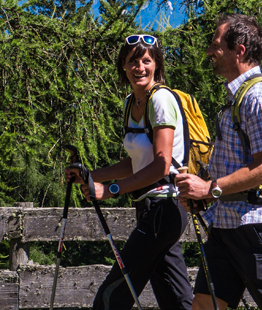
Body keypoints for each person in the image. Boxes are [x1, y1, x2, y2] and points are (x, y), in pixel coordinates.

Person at [176, 13, 262, 310]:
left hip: (257, 228)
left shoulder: (260, 95)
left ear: (239, 50)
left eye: (215, 45)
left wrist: (209, 189)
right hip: (227, 225)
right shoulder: (239, 96)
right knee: (204, 306)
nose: (209, 52)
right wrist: (208, 192)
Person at [66, 33, 193, 310]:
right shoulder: (129, 104)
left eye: (146, 61)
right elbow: (134, 162)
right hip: (150, 209)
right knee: (176, 299)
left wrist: (111, 189)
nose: (140, 67)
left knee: (111, 298)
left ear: (156, 65)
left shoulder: (160, 100)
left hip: (165, 207)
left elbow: (161, 164)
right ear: (123, 66)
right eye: (133, 61)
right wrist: (91, 176)